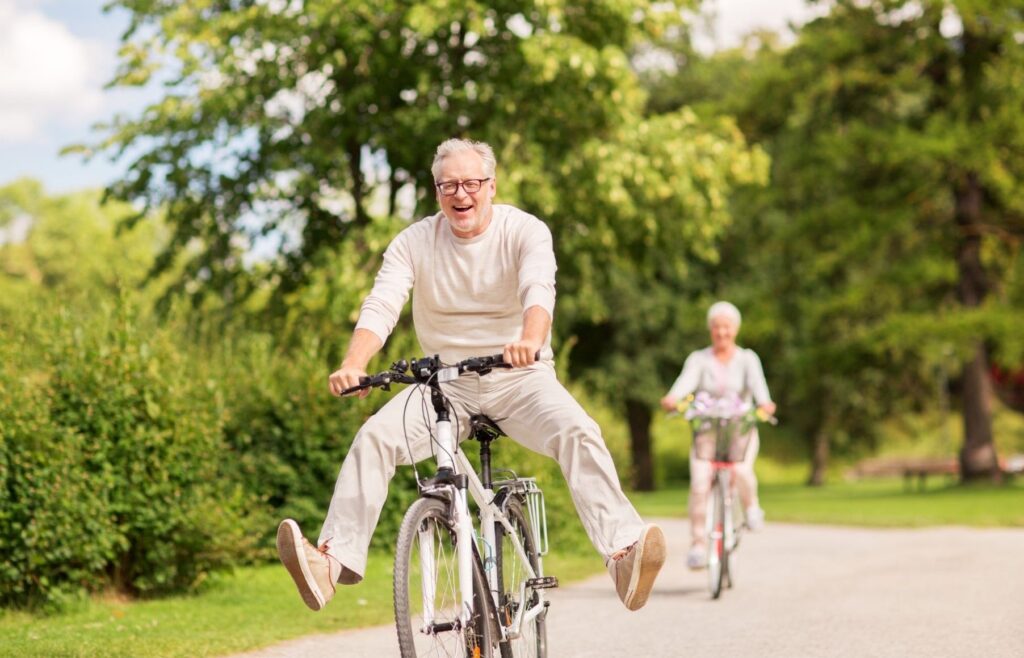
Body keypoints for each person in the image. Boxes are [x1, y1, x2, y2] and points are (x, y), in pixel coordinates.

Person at [276, 138, 665, 613]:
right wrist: (354, 363)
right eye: (448, 186)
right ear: (437, 191)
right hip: (444, 384)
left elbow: (538, 289)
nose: (461, 194)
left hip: (520, 377)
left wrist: (530, 338)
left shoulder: (524, 230)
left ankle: (623, 554)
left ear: (491, 186)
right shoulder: (414, 241)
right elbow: (382, 304)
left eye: (471, 183)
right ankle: (330, 564)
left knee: (579, 431)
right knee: (374, 437)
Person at [659, 301, 776, 570]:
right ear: (710, 330)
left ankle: (751, 507)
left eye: (727, 327)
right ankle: (698, 545)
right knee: (700, 483)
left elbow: (760, 391)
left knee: (742, 470)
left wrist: (765, 405)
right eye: (716, 327)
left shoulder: (748, 359)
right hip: (708, 432)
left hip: (740, 430)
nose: (721, 332)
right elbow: (684, 384)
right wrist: (672, 398)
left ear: (735, 330)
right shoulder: (699, 359)